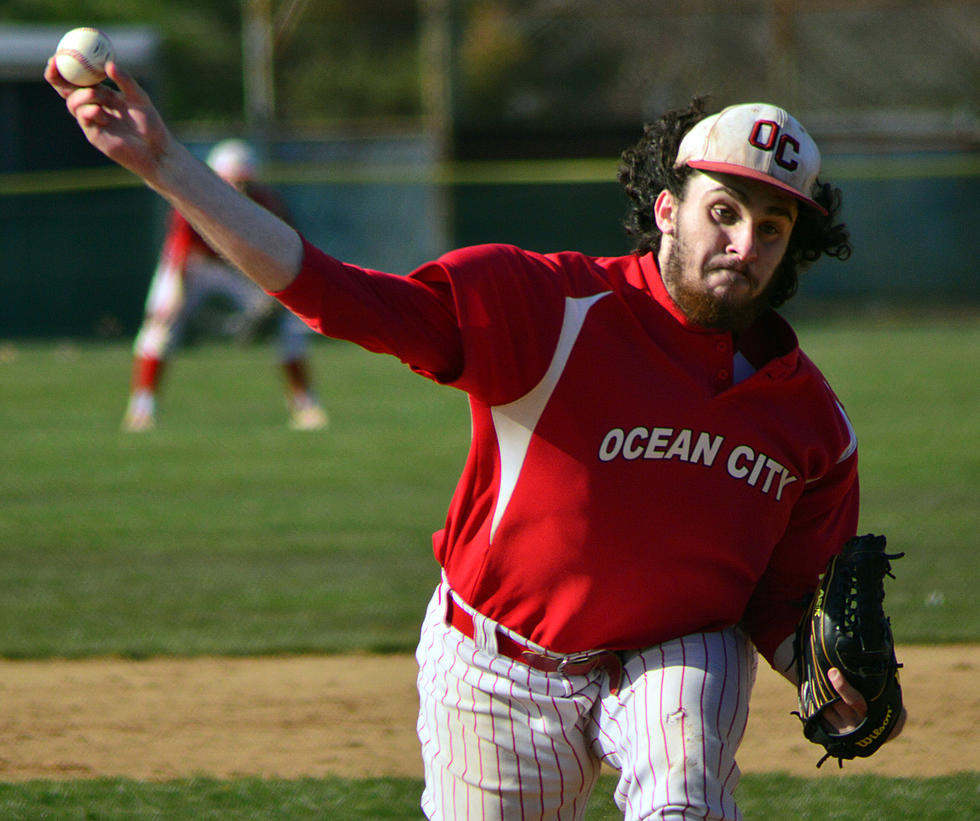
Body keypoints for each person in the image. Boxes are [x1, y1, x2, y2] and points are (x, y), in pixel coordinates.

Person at [47, 57, 906, 820]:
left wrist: (834, 681)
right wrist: (166, 166)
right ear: (668, 209)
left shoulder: (813, 430)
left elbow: (787, 604)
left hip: (676, 652)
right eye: (724, 211)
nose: (743, 242)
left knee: (684, 793)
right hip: (497, 660)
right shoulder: (547, 311)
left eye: (772, 226)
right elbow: (338, 293)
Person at [121, 138, 328, 432]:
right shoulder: (196, 198)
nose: (241, 187)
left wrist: (283, 295)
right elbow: (180, 250)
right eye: (234, 180)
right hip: (196, 265)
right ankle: (142, 408)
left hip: (240, 268)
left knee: (291, 326)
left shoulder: (267, 202)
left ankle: (305, 405)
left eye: (245, 180)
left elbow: (287, 248)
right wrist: (176, 296)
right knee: (159, 328)